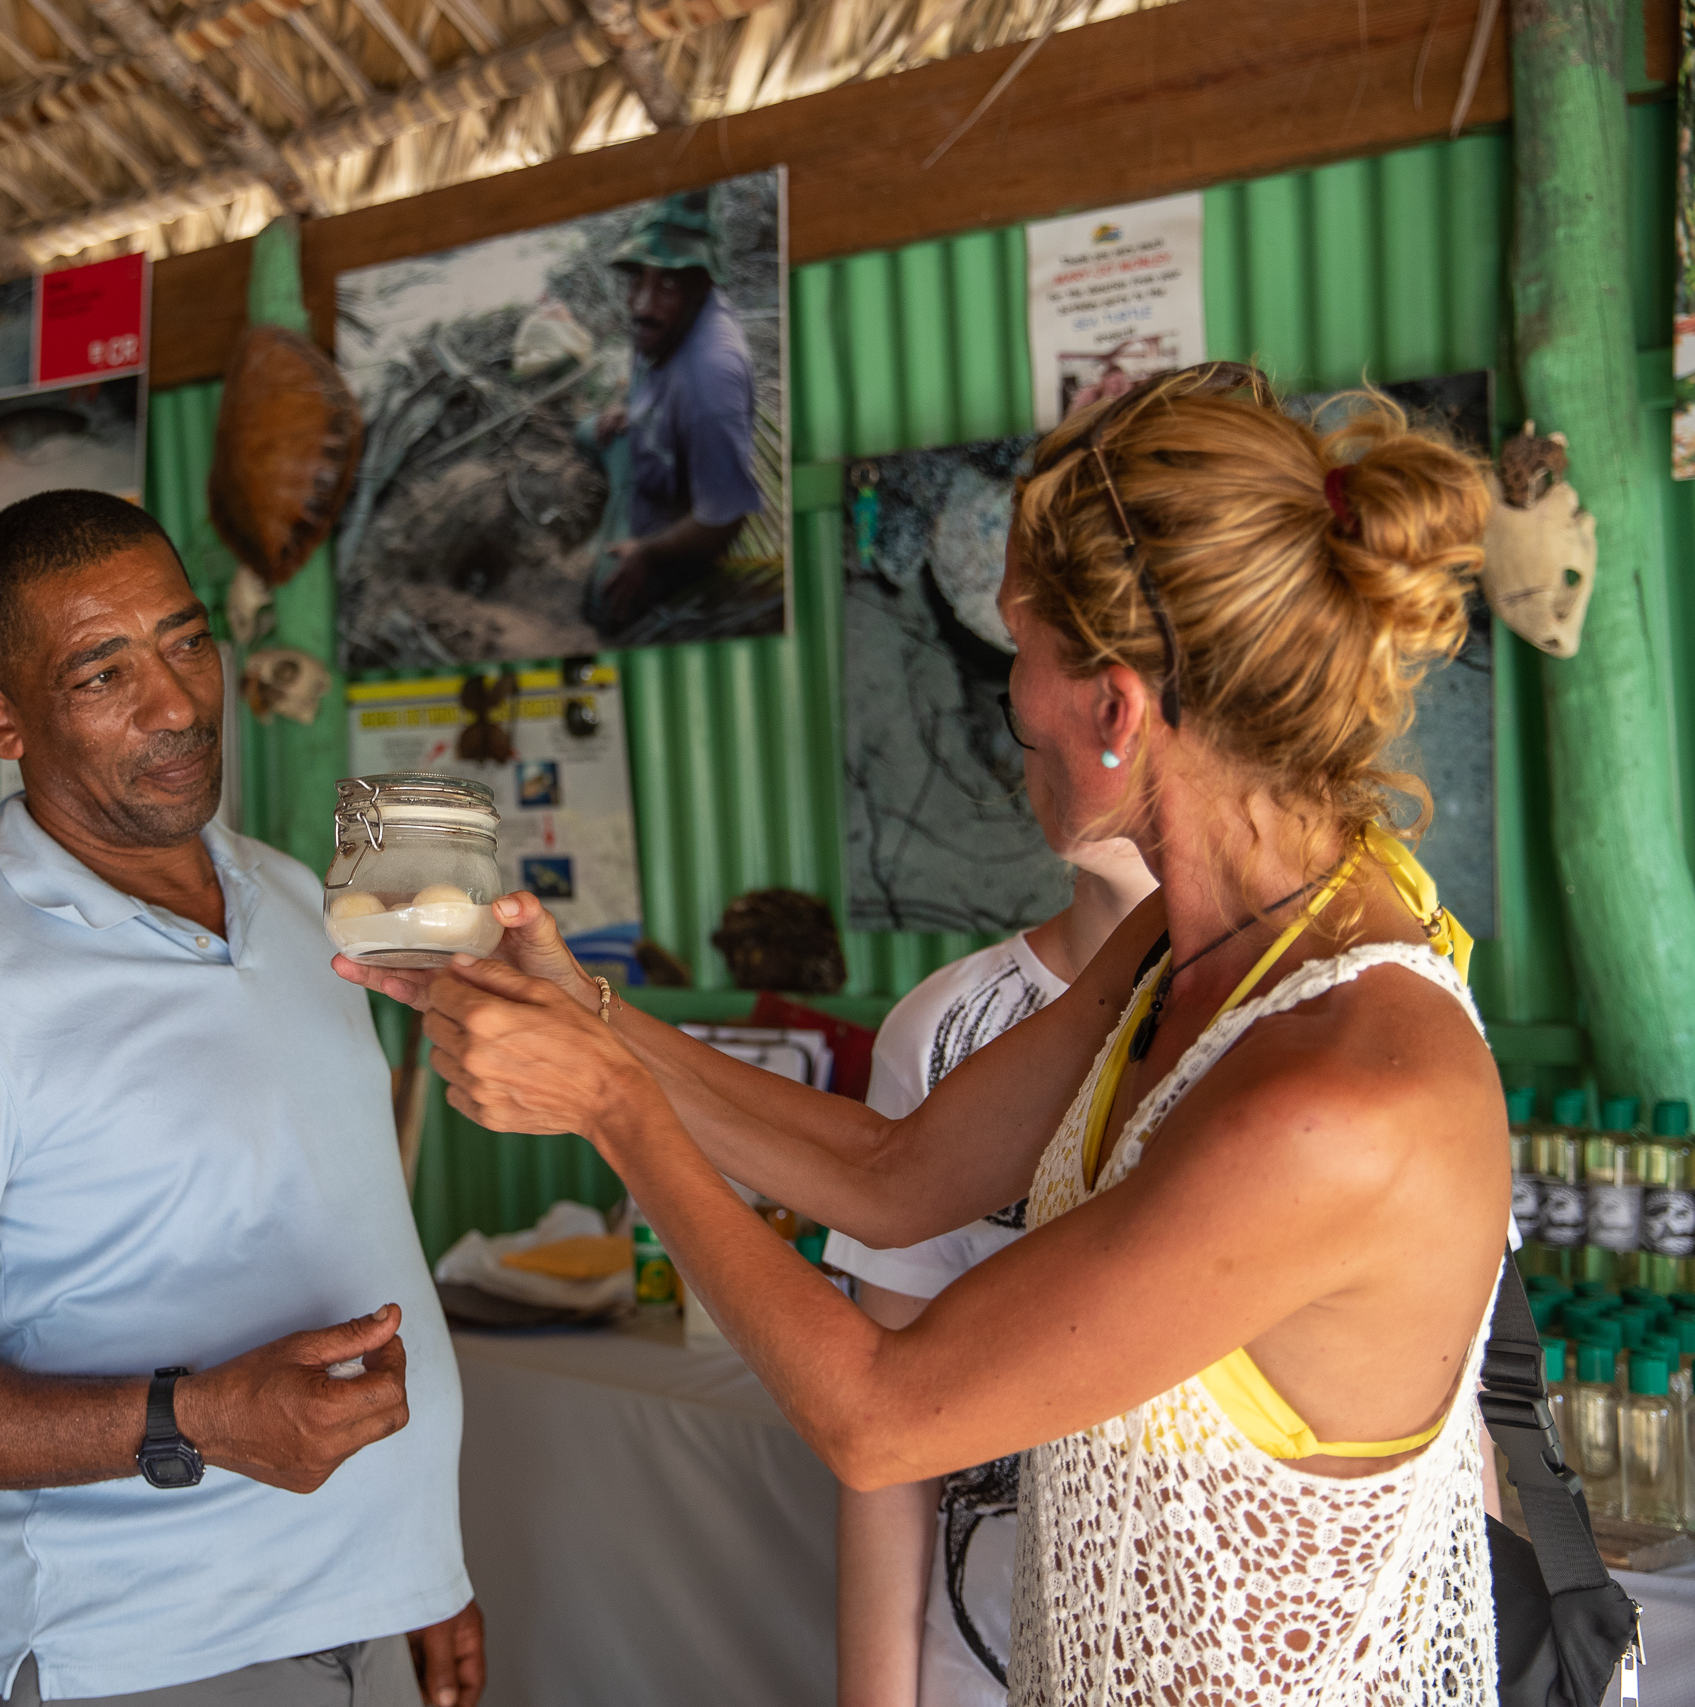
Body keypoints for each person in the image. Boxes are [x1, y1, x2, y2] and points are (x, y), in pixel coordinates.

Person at [347, 366, 1506, 1701]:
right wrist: (582, 1009)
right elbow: (897, 1176)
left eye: (1020, 651)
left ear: (1117, 707)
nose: (1008, 703)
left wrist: (613, 1103)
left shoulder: (1334, 1096)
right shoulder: (1212, 937)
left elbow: (881, 1412)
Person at [0, 489, 483, 1707]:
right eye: (102, 673)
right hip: (136, 1658)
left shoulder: (288, 903)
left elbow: (334, 1235)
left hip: (363, 1613)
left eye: (183, 640)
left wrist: (415, 1568)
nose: (175, 704)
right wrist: (195, 1419)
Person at [824, 826, 1152, 1707]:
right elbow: (885, 1434)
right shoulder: (952, 1023)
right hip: (986, 1654)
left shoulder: (1339, 1004)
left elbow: (1443, 1396)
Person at [582, 187, 763, 633]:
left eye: (667, 282)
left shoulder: (711, 382)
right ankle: (615, 497)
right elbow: (649, 372)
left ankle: (635, 533)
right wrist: (632, 408)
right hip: (647, 447)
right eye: (638, 278)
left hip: (674, 509)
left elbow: (723, 520)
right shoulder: (660, 321)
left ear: (701, 284)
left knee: (601, 606)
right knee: (586, 433)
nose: (642, 304)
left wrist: (650, 553)